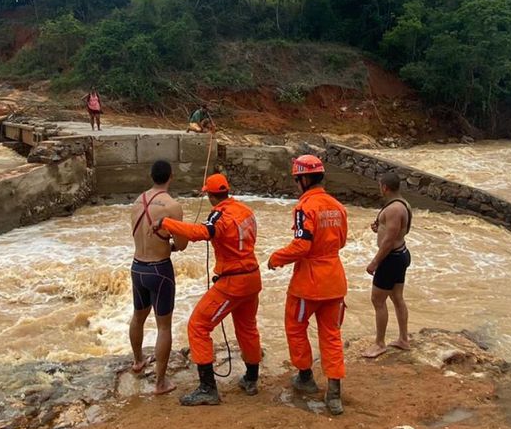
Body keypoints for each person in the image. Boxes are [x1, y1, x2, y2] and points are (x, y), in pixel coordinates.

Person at [153, 173, 262, 406]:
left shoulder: (219, 215)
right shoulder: (245, 210)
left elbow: (201, 233)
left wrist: (165, 223)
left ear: (211, 195)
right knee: (247, 328)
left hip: (233, 282)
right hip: (252, 277)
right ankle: (251, 378)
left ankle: (207, 388)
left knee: (198, 326)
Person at [266, 154, 349, 415]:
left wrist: (276, 258)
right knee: (331, 334)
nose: (295, 185)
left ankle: (305, 377)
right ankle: (334, 393)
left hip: (308, 284)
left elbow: (302, 245)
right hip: (335, 280)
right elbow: (342, 241)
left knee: (295, 327)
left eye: (296, 180)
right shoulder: (338, 207)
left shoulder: (305, 208)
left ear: (303, 179)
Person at [129, 160, 188, 395]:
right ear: (170, 177)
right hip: (159, 269)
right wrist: (171, 246)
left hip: (137, 267)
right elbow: (181, 244)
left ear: (150, 175)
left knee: (138, 316)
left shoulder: (136, 202)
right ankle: (160, 382)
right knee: (164, 327)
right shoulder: (172, 206)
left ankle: (137, 361)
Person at [362, 172, 412, 359]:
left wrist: (375, 262)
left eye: (379, 186)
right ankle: (403, 339)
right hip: (401, 254)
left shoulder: (393, 209)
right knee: (397, 297)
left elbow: (390, 239)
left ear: (384, 187)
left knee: (378, 300)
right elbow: (400, 230)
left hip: (390, 258)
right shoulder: (403, 204)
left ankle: (380, 344)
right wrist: (379, 227)